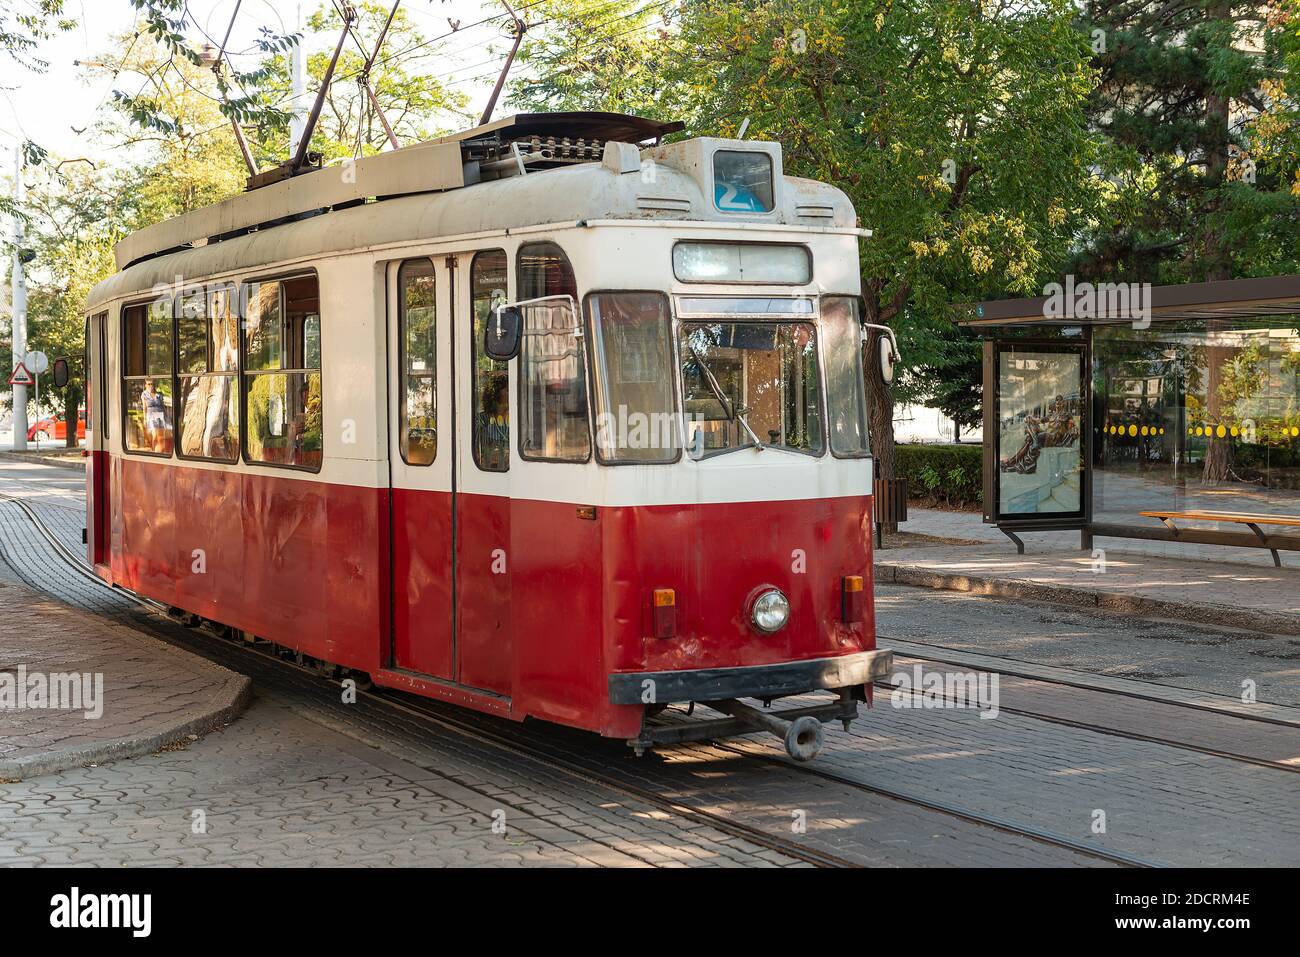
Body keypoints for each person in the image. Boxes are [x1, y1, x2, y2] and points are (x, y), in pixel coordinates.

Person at [141, 379, 168, 452]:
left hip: (160, 415)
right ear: (145, 385)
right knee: (155, 435)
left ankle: (161, 451)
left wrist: (166, 416)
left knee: (161, 436)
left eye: (152, 384)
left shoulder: (159, 394)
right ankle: (155, 452)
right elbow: (144, 407)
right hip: (151, 416)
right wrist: (145, 419)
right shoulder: (144, 394)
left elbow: (163, 405)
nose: (150, 385)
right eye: (148, 384)